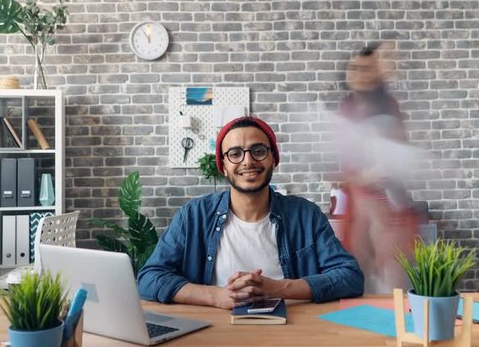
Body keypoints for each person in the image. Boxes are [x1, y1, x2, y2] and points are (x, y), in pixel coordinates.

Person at [137, 116, 364, 309]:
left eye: (258, 150)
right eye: (235, 153)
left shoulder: (306, 215)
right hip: (213, 333)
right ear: (223, 166)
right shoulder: (193, 216)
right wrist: (216, 296)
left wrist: (277, 288)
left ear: (273, 158)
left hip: (291, 331)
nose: (248, 161)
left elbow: (350, 276)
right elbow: (149, 278)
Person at [338, 42, 420, 294]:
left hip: (390, 212)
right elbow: (342, 167)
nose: (359, 74)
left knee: (393, 288)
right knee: (357, 285)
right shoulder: (346, 108)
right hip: (360, 212)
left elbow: (400, 157)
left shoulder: (389, 106)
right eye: (354, 68)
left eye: (367, 68)